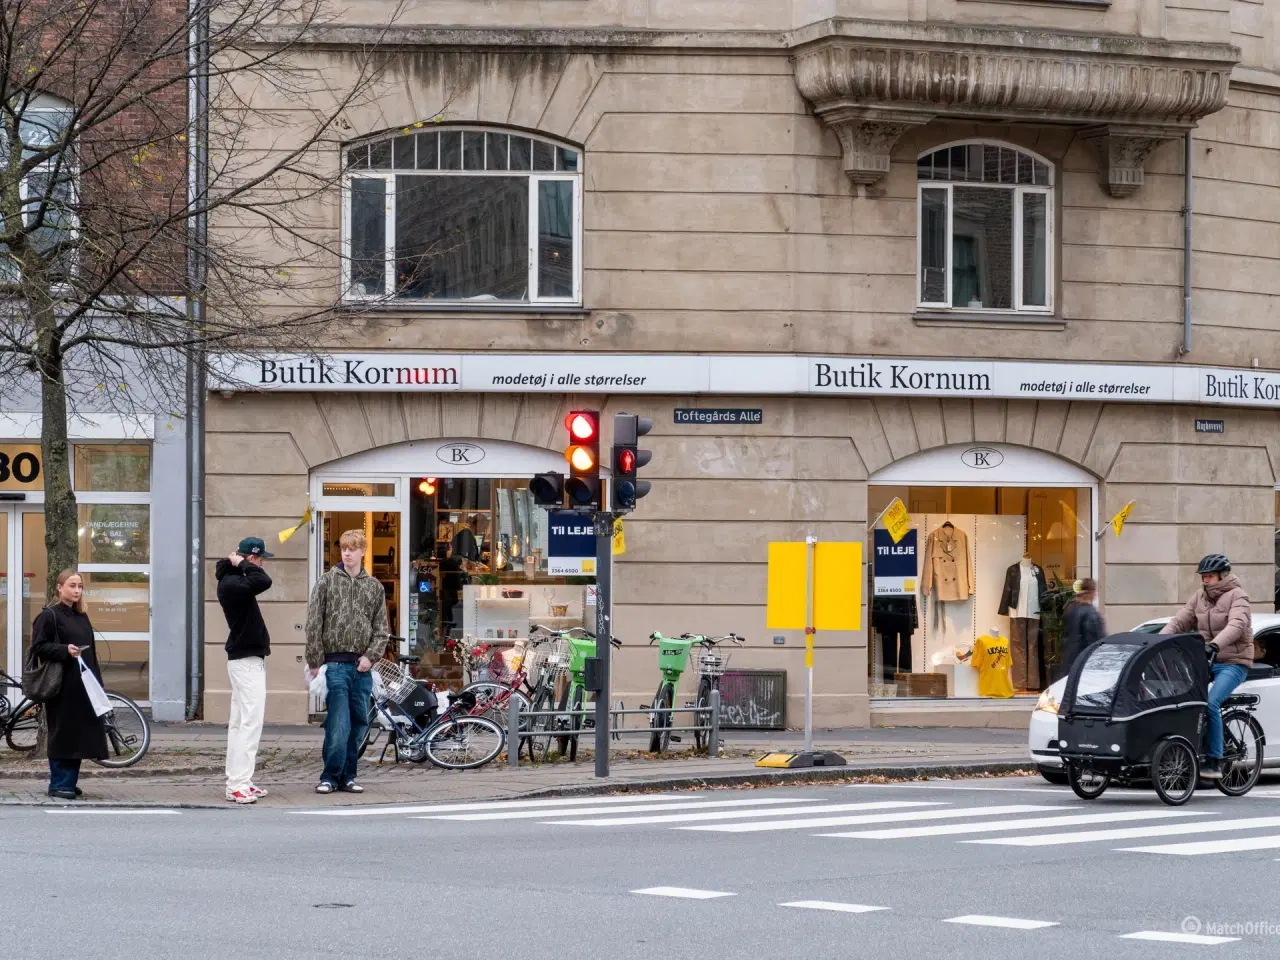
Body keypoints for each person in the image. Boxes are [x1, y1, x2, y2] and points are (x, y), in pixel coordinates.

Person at [305, 529, 390, 795]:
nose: (347, 553)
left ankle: (348, 775)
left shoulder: (373, 586)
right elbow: (314, 623)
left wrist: (371, 656)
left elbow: (381, 627)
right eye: (344, 548)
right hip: (336, 666)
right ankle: (330, 775)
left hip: (362, 667)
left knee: (359, 724)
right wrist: (315, 660)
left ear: (363, 551)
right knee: (338, 723)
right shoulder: (327, 582)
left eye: (353, 548)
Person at [1160, 554, 1253, 779]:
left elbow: (1238, 625)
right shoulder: (1199, 597)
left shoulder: (1237, 596)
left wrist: (1215, 645)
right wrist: (1158, 641)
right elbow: (1180, 621)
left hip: (1233, 662)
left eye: (1209, 576)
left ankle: (1215, 761)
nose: (1205, 580)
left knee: (1211, 703)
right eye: (1203, 576)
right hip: (1207, 660)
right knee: (1181, 697)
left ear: (1223, 575)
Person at [30, 570, 108, 800]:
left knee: (79, 734)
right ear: (59, 587)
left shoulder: (81, 616)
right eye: (72, 585)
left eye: (80, 586)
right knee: (63, 733)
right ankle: (58, 784)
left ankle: (69, 782)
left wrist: (97, 683)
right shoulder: (49, 616)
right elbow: (38, 647)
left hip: (83, 683)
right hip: (62, 684)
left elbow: (91, 651)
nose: (76, 590)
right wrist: (65, 650)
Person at [216, 536, 274, 805]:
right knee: (250, 723)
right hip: (246, 661)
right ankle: (238, 784)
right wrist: (243, 564)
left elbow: (258, 579)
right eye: (260, 559)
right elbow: (263, 580)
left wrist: (241, 565)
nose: (262, 564)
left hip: (246, 660)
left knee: (240, 724)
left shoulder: (234, 581)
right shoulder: (233, 583)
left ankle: (240, 781)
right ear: (252, 558)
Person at [1061, 578, 1106, 671]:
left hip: (1069, 663)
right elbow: (1095, 643)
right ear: (1092, 593)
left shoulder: (1070, 610)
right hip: (1084, 666)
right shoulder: (1091, 614)